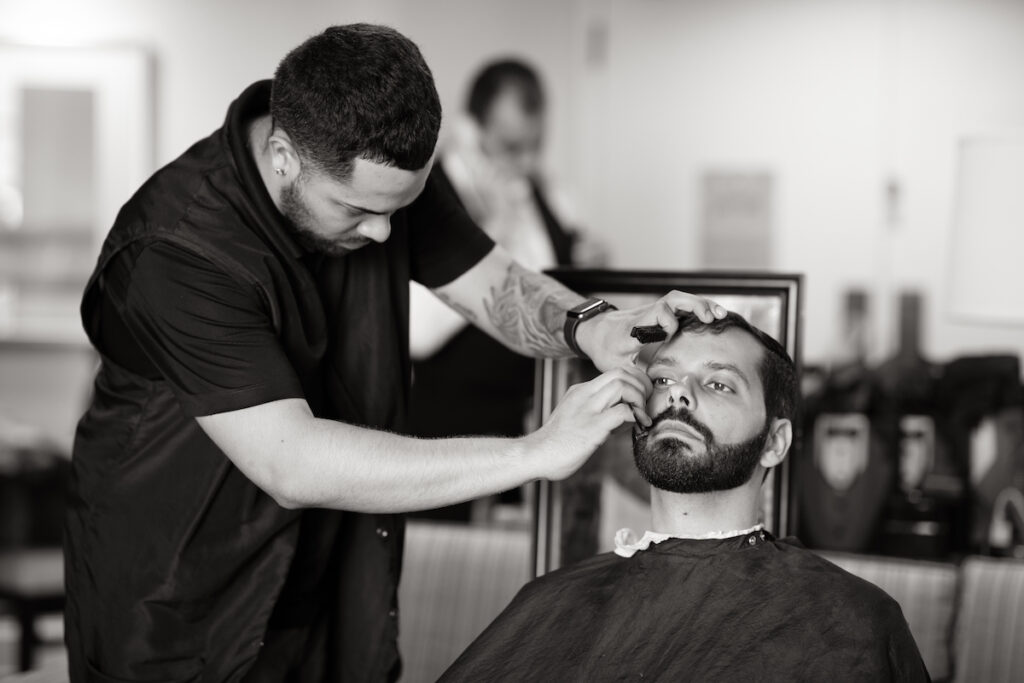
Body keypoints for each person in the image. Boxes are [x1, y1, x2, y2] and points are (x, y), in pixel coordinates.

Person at [62, 24, 726, 683]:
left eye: (396, 209)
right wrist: (535, 453)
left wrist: (593, 324)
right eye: (356, 211)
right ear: (284, 155)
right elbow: (291, 460)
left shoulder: (386, 175)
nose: (384, 231)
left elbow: (494, 283)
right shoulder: (175, 250)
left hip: (329, 586)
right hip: (182, 606)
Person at [440, 312, 930, 682]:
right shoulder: (552, 600)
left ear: (775, 442)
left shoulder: (851, 619)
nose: (680, 395)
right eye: (664, 379)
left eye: (718, 383)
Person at [407, 58, 604, 521]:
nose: (527, 162)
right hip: (452, 437)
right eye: (512, 146)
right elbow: (417, 331)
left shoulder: (547, 191)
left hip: (536, 424)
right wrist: (489, 234)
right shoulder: (427, 196)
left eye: (536, 145)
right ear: (471, 132)